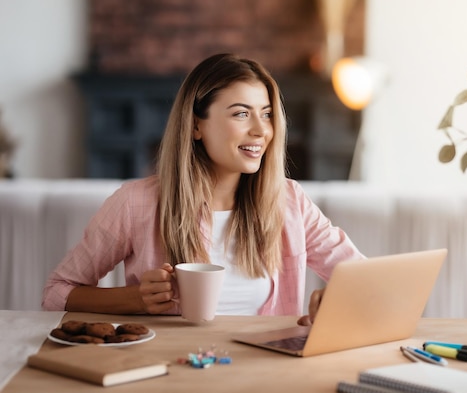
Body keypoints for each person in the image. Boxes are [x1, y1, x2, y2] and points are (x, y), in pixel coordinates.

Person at [42, 53, 365, 324]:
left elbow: (365, 278)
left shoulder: (289, 201)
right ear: (196, 125)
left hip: (264, 375)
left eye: (266, 115)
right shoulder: (135, 203)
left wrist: (335, 301)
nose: (260, 130)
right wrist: (135, 299)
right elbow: (56, 294)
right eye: (241, 113)